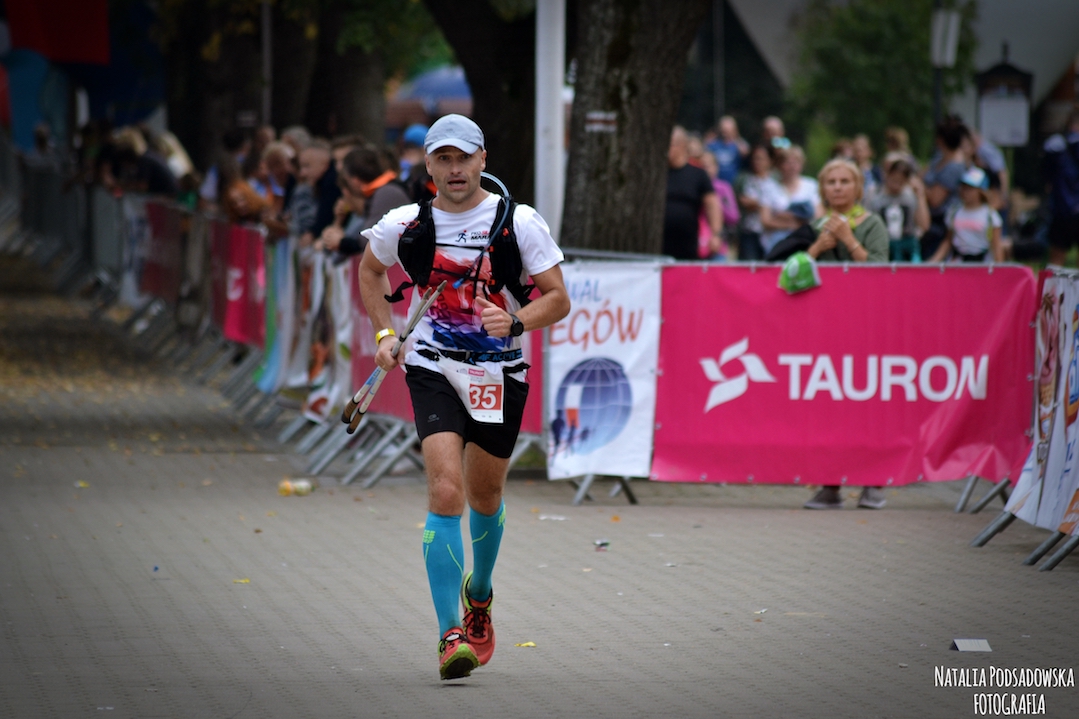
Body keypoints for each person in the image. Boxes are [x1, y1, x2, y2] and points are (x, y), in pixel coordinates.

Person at [358, 114, 570, 680]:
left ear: (482, 160)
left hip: (499, 373)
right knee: (446, 489)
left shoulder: (518, 222)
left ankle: (480, 594)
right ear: (428, 165)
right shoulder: (404, 223)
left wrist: (517, 321)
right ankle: (449, 632)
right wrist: (384, 334)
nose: (454, 169)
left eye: (464, 158)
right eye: (443, 159)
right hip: (431, 367)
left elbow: (559, 298)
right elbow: (370, 272)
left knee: (484, 494)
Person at [803, 159, 889, 510]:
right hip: (825, 329)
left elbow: (883, 273)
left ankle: (873, 482)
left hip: (866, 328)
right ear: (822, 189)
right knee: (829, 410)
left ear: (857, 188)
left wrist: (848, 240)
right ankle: (830, 484)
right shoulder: (813, 227)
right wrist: (816, 249)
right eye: (831, 182)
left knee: (867, 407)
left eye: (844, 181)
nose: (837, 187)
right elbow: (792, 273)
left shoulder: (873, 225)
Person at [663, 126, 722, 260]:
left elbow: (712, 205)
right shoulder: (658, 175)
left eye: (670, 144)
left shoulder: (698, 175)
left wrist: (716, 235)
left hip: (687, 245)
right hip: (659, 244)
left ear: (682, 145)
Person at [927, 166, 1003, 263]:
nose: (965, 191)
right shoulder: (954, 212)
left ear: (981, 191)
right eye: (963, 187)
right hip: (958, 262)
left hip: (982, 263)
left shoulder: (991, 215)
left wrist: (1000, 267)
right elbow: (948, 241)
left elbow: (996, 246)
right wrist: (933, 261)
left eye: (970, 188)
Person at [864, 154, 930, 261]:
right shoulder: (874, 194)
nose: (896, 184)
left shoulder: (911, 195)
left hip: (907, 248)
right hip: (882, 247)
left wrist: (920, 196)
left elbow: (924, 226)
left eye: (901, 180)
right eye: (894, 178)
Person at [922, 117, 969, 259]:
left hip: (943, 223)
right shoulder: (939, 159)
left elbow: (936, 199)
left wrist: (919, 187)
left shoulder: (954, 167)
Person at [760, 146, 819, 256]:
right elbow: (765, 221)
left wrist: (784, 217)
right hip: (776, 244)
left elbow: (818, 216)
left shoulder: (811, 185)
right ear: (779, 165)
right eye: (788, 163)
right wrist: (795, 222)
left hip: (805, 242)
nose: (792, 166)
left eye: (796, 162)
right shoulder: (769, 187)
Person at [1045, 106, 1079, 266]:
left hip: (1062, 210)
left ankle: (1051, 283)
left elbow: (1047, 179)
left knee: (1056, 259)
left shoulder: (1055, 145)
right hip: (1068, 210)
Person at [736, 144, 780, 261]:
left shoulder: (777, 180)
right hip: (750, 231)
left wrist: (758, 204)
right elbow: (744, 202)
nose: (757, 162)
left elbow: (779, 205)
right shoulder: (745, 179)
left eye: (761, 159)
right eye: (755, 158)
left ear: (770, 161)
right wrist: (765, 205)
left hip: (772, 233)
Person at [698, 151, 740, 260]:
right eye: (701, 166)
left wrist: (715, 203)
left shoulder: (723, 187)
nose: (705, 170)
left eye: (708, 166)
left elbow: (734, 217)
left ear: (716, 167)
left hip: (719, 245)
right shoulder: (694, 187)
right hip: (697, 244)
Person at [706, 115, 750, 185]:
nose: (725, 133)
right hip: (718, 184)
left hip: (735, 183)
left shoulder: (741, 145)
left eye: (727, 130)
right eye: (723, 130)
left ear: (734, 130)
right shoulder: (712, 146)